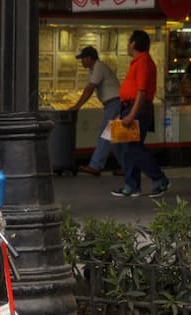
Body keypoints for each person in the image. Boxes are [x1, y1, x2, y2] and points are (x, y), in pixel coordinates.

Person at [111, 30, 170, 199]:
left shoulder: (143, 62)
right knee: (128, 148)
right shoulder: (137, 62)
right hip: (130, 107)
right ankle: (131, 186)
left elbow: (141, 91)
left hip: (137, 109)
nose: (127, 46)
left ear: (134, 44)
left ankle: (159, 179)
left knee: (133, 147)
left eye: (128, 42)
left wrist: (131, 114)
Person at [69, 46, 123, 176]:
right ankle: (127, 166)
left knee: (105, 134)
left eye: (83, 59)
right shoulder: (93, 70)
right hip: (112, 104)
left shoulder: (99, 67)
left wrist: (77, 106)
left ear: (89, 58)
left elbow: (90, 89)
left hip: (114, 103)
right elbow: (88, 88)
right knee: (116, 138)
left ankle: (95, 165)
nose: (81, 61)